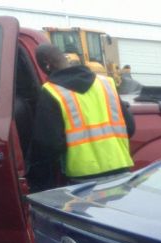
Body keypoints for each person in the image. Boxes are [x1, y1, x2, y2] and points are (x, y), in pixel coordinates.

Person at [29, 44, 135, 191]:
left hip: (83, 178)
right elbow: (129, 127)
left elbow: (49, 144)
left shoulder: (51, 91)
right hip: (121, 170)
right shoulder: (106, 83)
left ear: (46, 65)